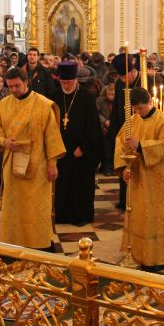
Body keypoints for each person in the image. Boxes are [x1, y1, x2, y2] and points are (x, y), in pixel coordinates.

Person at [0, 67, 65, 250]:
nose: (13, 90)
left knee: (35, 209)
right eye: (10, 86)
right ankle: (12, 244)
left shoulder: (43, 105)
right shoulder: (4, 104)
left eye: (17, 85)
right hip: (12, 166)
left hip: (38, 167)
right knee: (13, 209)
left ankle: (40, 246)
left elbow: (52, 136)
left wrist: (52, 164)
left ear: (26, 82)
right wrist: (3, 141)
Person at [115, 87, 164, 269]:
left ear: (150, 102)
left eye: (141, 108)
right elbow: (120, 143)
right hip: (139, 178)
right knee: (141, 215)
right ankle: (140, 252)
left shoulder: (163, 121)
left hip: (160, 179)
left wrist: (140, 145)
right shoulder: (132, 121)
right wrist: (124, 168)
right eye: (135, 109)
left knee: (159, 217)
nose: (138, 112)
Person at [51, 62, 102, 226]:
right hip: (60, 150)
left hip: (80, 151)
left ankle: (80, 216)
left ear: (75, 80)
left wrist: (84, 147)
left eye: (69, 82)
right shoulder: (54, 96)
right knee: (62, 184)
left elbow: (93, 126)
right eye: (63, 82)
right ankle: (61, 215)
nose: (66, 85)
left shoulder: (86, 97)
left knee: (81, 185)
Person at [110, 52, 140, 211]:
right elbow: (116, 109)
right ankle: (124, 200)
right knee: (124, 163)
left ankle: (137, 200)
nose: (122, 80)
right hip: (123, 129)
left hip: (140, 130)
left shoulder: (145, 81)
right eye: (120, 77)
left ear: (133, 71)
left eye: (124, 77)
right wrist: (114, 133)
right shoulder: (118, 84)